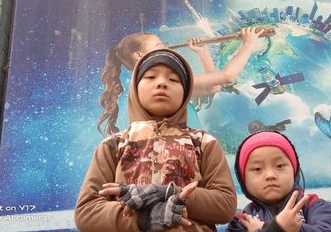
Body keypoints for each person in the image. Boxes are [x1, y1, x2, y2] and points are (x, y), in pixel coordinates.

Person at [75, 49, 237, 231]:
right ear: (135, 87)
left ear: (186, 92)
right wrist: (143, 219)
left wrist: (169, 192)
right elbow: (86, 212)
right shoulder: (113, 145)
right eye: (151, 77)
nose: (161, 83)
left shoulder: (204, 143)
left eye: (174, 79)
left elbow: (225, 206)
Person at [98, 27, 264, 135]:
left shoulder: (156, 81)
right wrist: (248, 44)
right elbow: (227, 76)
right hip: (175, 156)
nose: (167, 48)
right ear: (139, 56)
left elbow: (213, 88)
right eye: (158, 46)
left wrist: (203, 54)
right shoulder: (157, 81)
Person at [226, 131, 331, 232]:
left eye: (280, 166)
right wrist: (277, 228)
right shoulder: (242, 221)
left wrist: (288, 229)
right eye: (257, 169)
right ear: (243, 179)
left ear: (294, 171)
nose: (270, 175)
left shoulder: (313, 205)